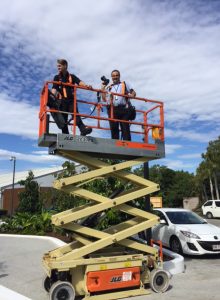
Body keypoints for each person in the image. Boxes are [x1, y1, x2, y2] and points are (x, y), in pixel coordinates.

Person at [48, 59, 92, 135]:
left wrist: (86, 85)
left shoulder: (72, 76)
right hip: (62, 101)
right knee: (63, 119)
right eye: (57, 66)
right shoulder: (57, 77)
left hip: (71, 100)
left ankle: (83, 129)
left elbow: (79, 82)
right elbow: (54, 88)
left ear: (65, 66)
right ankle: (65, 135)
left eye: (59, 66)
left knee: (76, 114)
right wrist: (52, 97)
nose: (58, 68)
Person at [101, 70, 136, 141]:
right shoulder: (109, 87)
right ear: (111, 77)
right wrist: (102, 88)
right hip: (113, 110)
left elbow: (133, 93)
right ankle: (115, 145)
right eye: (113, 76)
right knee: (114, 129)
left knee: (125, 128)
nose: (115, 77)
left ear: (119, 76)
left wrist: (132, 95)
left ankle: (128, 145)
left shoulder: (125, 84)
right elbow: (104, 99)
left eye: (116, 75)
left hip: (124, 109)